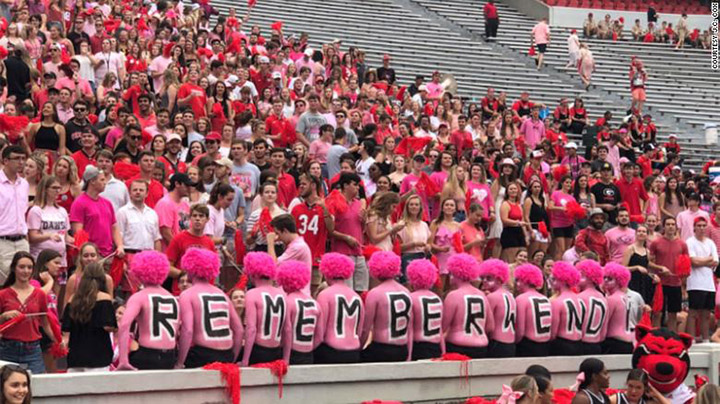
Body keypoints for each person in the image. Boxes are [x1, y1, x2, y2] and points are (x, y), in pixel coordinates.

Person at [176, 248, 243, 368]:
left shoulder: (187, 294)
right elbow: (239, 330)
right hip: (226, 355)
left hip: (202, 355)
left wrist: (180, 362)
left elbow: (188, 330)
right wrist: (232, 358)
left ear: (191, 269)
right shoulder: (223, 295)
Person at [116, 251, 179, 370]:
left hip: (148, 354)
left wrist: (123, 360)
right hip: (170, 356)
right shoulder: (172, 298)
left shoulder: (139, 296)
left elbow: (124, 325)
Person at [0, 252, 55, 374]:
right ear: (14, 268)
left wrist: (58, 339)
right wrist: (4, 316)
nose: (26, 271)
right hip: (7, 348)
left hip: (32, 349)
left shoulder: (39, 294)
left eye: (29, 267)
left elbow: (45, 323)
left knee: (37, 385)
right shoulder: (3, 294)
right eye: (22, 267)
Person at [62, 262, 116, 372]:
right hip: (98, 355)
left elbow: (66, 327)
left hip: (76, 356)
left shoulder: (73, 298)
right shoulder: (105, 298)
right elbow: (108, 326)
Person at [360, 252, 411, 362]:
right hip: (402, 349)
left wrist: (358, 350)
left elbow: (365, 328)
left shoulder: (375, 293)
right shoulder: (406, 292)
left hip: (381, 348)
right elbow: (410, 328)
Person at [315, 253, 364, 364]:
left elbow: (320, 333)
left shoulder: (324, 295)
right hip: (354, 352)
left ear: (326, 272)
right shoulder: (356, 297)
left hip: (331, 351)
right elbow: (360, 331)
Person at [443, 253, 494, 358]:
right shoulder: (482, 295)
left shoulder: (453, 295)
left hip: (458, 346)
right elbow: (490, 327)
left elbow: (442, 327)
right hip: (481, 347)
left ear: (455, 273)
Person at [241, 252, 287, 366]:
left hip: (258, 350)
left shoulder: (252, 294)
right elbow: (288, 329)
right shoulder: (283, 294)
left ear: (252, 273)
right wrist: (286, 359)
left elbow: (251, 329)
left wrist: (245, 360)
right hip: (276, 351)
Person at [69, 165, 123, 258]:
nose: (105, 182)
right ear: (92, 181)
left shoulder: (107, 203)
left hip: (109, 254)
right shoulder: (79, 203)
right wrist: (88, 254)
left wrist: (120, 245)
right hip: (91, 256)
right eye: (102, 180)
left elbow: (114, 227)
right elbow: (78, 231)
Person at [276, 260, 320, 365]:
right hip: (309, 353)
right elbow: (320, 336)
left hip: (290, 352)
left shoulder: (287, 301)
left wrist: (285, 358)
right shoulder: (315, 303)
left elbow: (287, 331)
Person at [330, 172, 369, 293]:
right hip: (342, 252)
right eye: (355, 185)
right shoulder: (334, 202)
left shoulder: (358, 204)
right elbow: (329, 230)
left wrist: (364, 221)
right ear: (345, 185)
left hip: (359, 252)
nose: (358, 187)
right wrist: (346, 238)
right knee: (346, 291)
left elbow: (364, 230)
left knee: (361, 289)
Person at [649, 217, 688, 331]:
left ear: (676, 227)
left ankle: (671, 337)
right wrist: (660, 267)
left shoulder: (682, 244)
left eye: (673, 224)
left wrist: (683, 284)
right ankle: (655, 337)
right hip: (660, 283)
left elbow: (686, 265)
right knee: (657, 312)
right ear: (664, 226)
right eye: (668, 224)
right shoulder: (656, 242)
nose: (670, 226)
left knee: (673, 313)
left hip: (675, 283)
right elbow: (649, 262)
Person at [165, 204, 216, 293]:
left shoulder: (209, 243)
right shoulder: (178, 239)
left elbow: (213, 272)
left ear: (207, 219)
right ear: (190, 218)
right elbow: (168, 267)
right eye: (194, 216)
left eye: (201, 216)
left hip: (203, 292)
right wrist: (184, 275)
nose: (197, 219)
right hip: (181, 290)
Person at [0, 146, 29, 284]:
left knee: (24, 283)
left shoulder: (24, 184)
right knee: (5, 283)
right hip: (3, 241)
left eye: (23, 158)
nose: (21, 162)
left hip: (22, 240)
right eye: (17, 158)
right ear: (5, 160)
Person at [686, 217, 718, 342]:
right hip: (695, 283)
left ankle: (705, 338)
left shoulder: (710, 243)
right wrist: (707, 260)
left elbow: (715, 261)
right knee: (693, 313)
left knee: (706, 314)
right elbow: (693, 261)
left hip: (708, 283)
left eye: (704, 225)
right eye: (699, 225)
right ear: (694, 227)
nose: (701, 228)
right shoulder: (690, 242)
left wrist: (702, 261)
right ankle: (691, 339)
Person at [27, 176, 71, 267]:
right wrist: (49, 236)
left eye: (59, 188)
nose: (58, 191)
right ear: (45, 189)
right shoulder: (36, 210)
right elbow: (32, 237)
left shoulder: (62, 211)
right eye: (54, 188)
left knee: (60, 282)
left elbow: (65, 237)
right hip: (41, 260)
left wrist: (79, 241)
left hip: (60, 260)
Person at [406, 259, 444, 360]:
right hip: (435, 346)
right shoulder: (437, 299)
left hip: (418, 346)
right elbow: (440, 330)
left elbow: (410, 330)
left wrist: (408, 356)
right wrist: (444, 352)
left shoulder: (411, 298)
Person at [479, 259, 516, 358]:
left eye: (489, 278)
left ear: (499, 279)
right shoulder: (510, 296)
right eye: (482, 278)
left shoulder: (492, 297)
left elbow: (487, 325)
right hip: (511, 344)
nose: (484, 281)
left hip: (496, 343)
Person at [267, 214, 312, 294]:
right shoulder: (296, 245)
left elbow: (273, 265)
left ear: (285, 231)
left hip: (298, 294)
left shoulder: (297, 247)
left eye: (278, 233)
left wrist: (270, 243)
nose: (277, 237)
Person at [514, 264, 552, 357]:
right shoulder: (546, 299)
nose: (516, 284)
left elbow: (520, 331)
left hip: (528, 345)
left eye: (518, 280)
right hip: (545, 345)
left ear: (525, 280)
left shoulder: (521, 299)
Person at [116, 180, 162, 253]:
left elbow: (156, 239)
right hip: (129, 254)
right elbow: (118, 237)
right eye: (135, 190)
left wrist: (158, 257)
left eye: (141, 190)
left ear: (146, 193)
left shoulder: (152, 214)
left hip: (149, 255)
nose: (138, 192)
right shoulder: (122, 212)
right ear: (130, 193)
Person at [549, 261, 583, 356]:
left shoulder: (557, 302)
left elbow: (553, 333)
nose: (552, 282)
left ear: (562, 280)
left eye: (554, 279)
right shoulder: (580, 299)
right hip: (579, 343)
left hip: (562, 343)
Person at [576, 260, 607, 355]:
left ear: (589, 278)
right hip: (597, 344)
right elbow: (603, 332)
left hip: (582, 344)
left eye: (581, 275)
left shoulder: (579, 297)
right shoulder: (603, 298)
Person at [602, 263, 633, 354]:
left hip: (614, 342)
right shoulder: (626, 297)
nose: (606, 280)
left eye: (610, 279)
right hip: (628, 341)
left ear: (619, 280)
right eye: (605, 277)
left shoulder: (612, 299)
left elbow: (605, 322)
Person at [155, 173, 192, 249]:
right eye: (186, 185)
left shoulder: (185, 204)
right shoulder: (165, 203)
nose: (190, 188)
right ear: (177, 184)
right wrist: (179, 251)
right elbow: (166, 233)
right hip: (169, 254)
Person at [624, 224, 656, 305]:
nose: (641, 233)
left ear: (647, 235)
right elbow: (623, 268)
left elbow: (646, 266)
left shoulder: (647, 251)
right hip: (632, 281)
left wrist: (653, 275)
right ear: (635, 234)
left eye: (644, 232)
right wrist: (636, 267)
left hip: (643, 282)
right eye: (639, 231)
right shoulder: (630, 249)